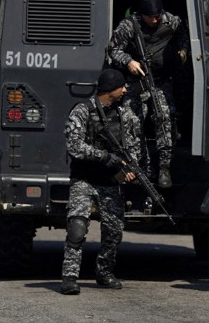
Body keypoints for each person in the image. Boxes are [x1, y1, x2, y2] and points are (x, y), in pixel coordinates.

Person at [60, 67, 142, 296]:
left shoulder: (125, 115)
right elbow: (75, 147)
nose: (125, 90)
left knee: (114, 231)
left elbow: (134, 147)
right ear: (110, 89)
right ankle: (69, 277)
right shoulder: (82, 111)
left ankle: (104, 272)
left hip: (109, 182)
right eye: (122, 86)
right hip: (84, 179)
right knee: (77, 227)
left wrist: (129, 169)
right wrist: (105, 157)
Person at [107, 0, 188, 188]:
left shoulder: (171, 22)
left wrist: (182, 51)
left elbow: (184, 37)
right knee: (133, 121)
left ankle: (164, 169)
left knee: (165, 117)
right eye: (150, 16)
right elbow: (113, 49)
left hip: (161, 80)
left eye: (157, 16)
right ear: (141, 14)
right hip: (137, 81)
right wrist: (129, 62)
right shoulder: (129, 26)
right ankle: (136, 167)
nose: (154, 20)